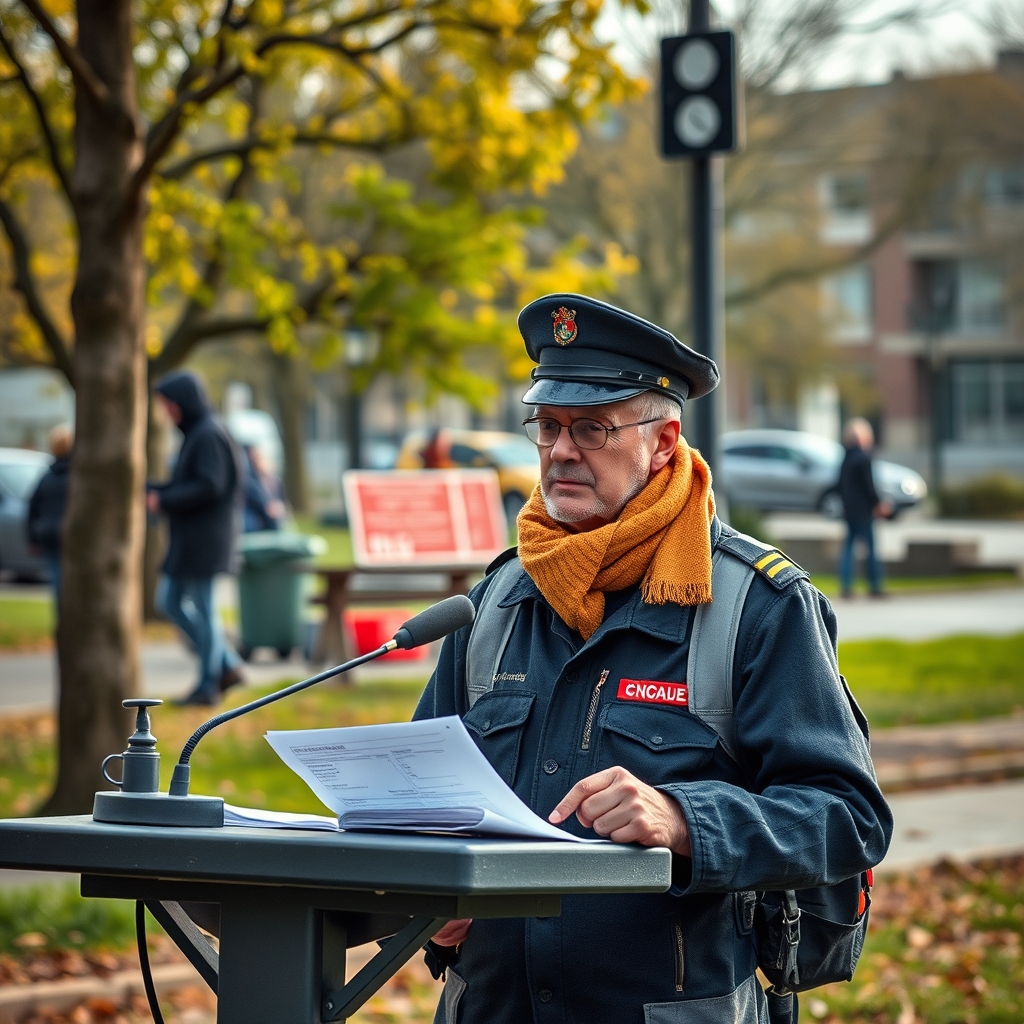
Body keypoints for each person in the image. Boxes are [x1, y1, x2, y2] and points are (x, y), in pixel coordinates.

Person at [414, 295, 892, 1024]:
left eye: (591, 428)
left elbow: (848, 816)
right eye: (547, 426)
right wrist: (430, 904)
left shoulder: (759, 604)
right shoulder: (494, 602)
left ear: (664, 442)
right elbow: (420, 800)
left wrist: (684, 819)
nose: (560, 450)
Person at [147, 371, 245, 705]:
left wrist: (164, 499)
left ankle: (208, 684)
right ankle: (227, 664)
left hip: (207, 540)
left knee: (204, 609)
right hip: (190, 540)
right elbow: (191, 482)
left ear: (183, 401)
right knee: (169, 601)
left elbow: (210, 485)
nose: (166, 411)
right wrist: (159, 491)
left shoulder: (208, 434)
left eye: (169, 404)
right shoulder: (196, 433)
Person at [837, 418, 891, 598]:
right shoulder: (863, 458)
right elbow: (869, 485)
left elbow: (839, 485)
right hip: (864, 511)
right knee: (871, 549)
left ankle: (846, 586)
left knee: (848, 549)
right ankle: (875, 585)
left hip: (849, 511)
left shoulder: (845, 458)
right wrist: (878, 503)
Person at [26, 424, 73, 599]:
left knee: (56, 574)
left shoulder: (47, 477)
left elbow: (32, 508)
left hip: (48, 532)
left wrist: (32, 538)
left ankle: (61, 610)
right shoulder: (78, 478)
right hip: (70, 532)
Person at [242, 444, 287, 532]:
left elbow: (284, 503)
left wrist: (280, 508)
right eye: (256, 458)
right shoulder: (250, 482)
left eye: (262, 458)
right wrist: (272, 508)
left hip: (277, 521)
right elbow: (263, 506)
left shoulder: (276, 482)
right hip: (258, 526)